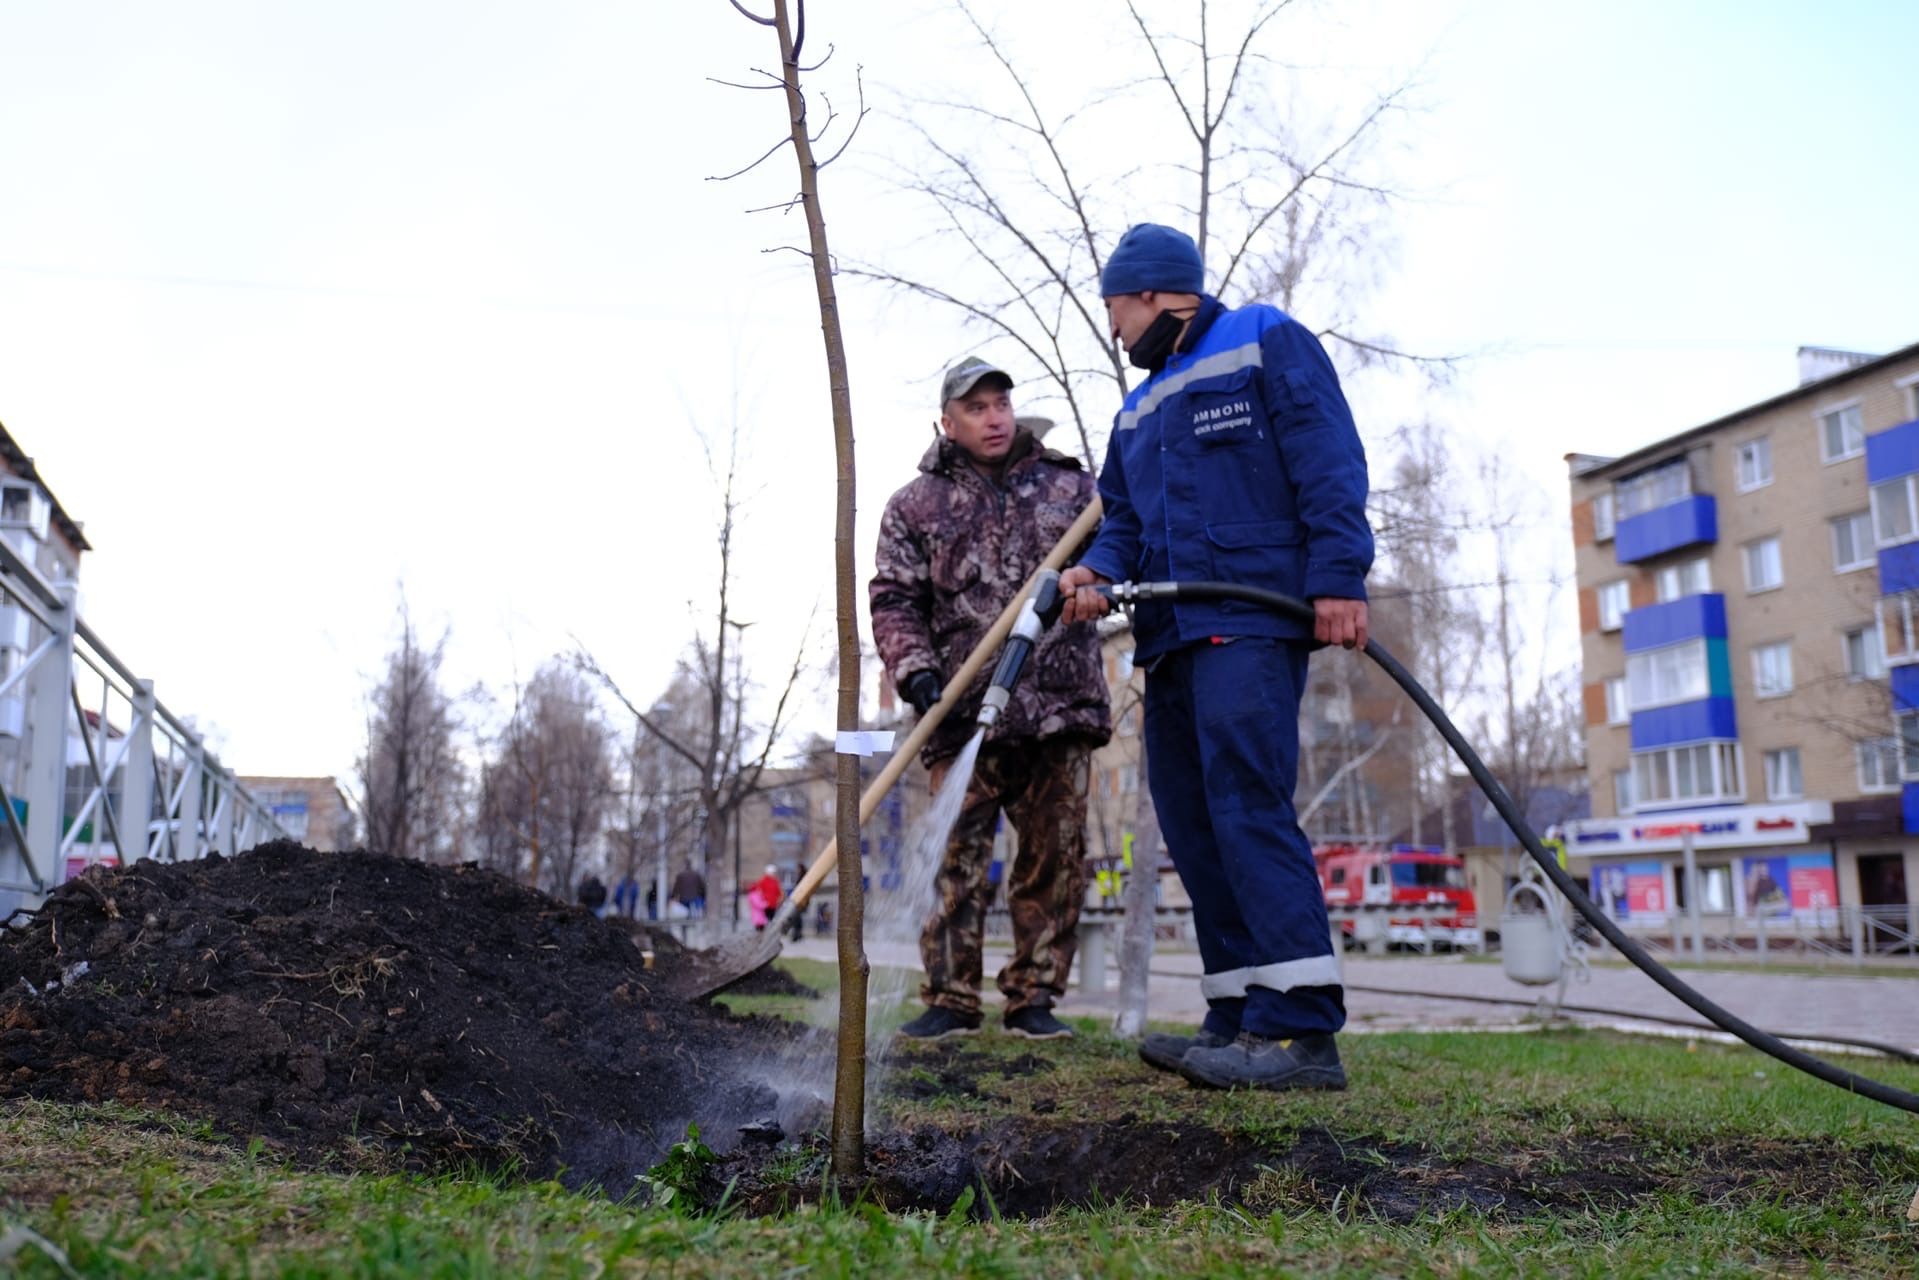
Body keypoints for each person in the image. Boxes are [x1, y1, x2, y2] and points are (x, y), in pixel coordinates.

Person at [1059, 222, 1373, 1091]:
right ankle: (1235, 1015)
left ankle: (1301, 1032)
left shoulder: (1264, 341)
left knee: (1245, 806)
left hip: (1250, 619)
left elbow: (1327, 461)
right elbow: (1122, 521)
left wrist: (1339, 576)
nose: (1115, 330)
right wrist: (1095, 571)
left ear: (1157, 295)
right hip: (1171, 639)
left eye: (1115, 311)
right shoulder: (1138, 408)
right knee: (1195, 826)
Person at [870, 355, 1111, 1041]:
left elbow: (1121, 554)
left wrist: (1102, 582)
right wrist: (914, 671)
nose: (994, 416)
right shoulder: (914, 506)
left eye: (1000, 402)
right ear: (947, 422)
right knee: (954, 859)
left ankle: (1034, 998)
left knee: (1054, 860)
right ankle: (949, 999)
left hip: (1056, 705)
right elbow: (893, 599)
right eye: (975, 407)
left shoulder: (1073, 490)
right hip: (960, 709)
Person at [747, 864, 783, 931]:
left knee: (771, 920)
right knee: (764, 920)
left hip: (772, 904)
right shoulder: (763, 881)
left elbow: (778, 892)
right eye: (773, 873)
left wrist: (779, 899)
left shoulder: (775, 881)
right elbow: (758, 892)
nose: (773, 874)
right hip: (765, 904)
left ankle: (768, 932)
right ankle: (763, 933)